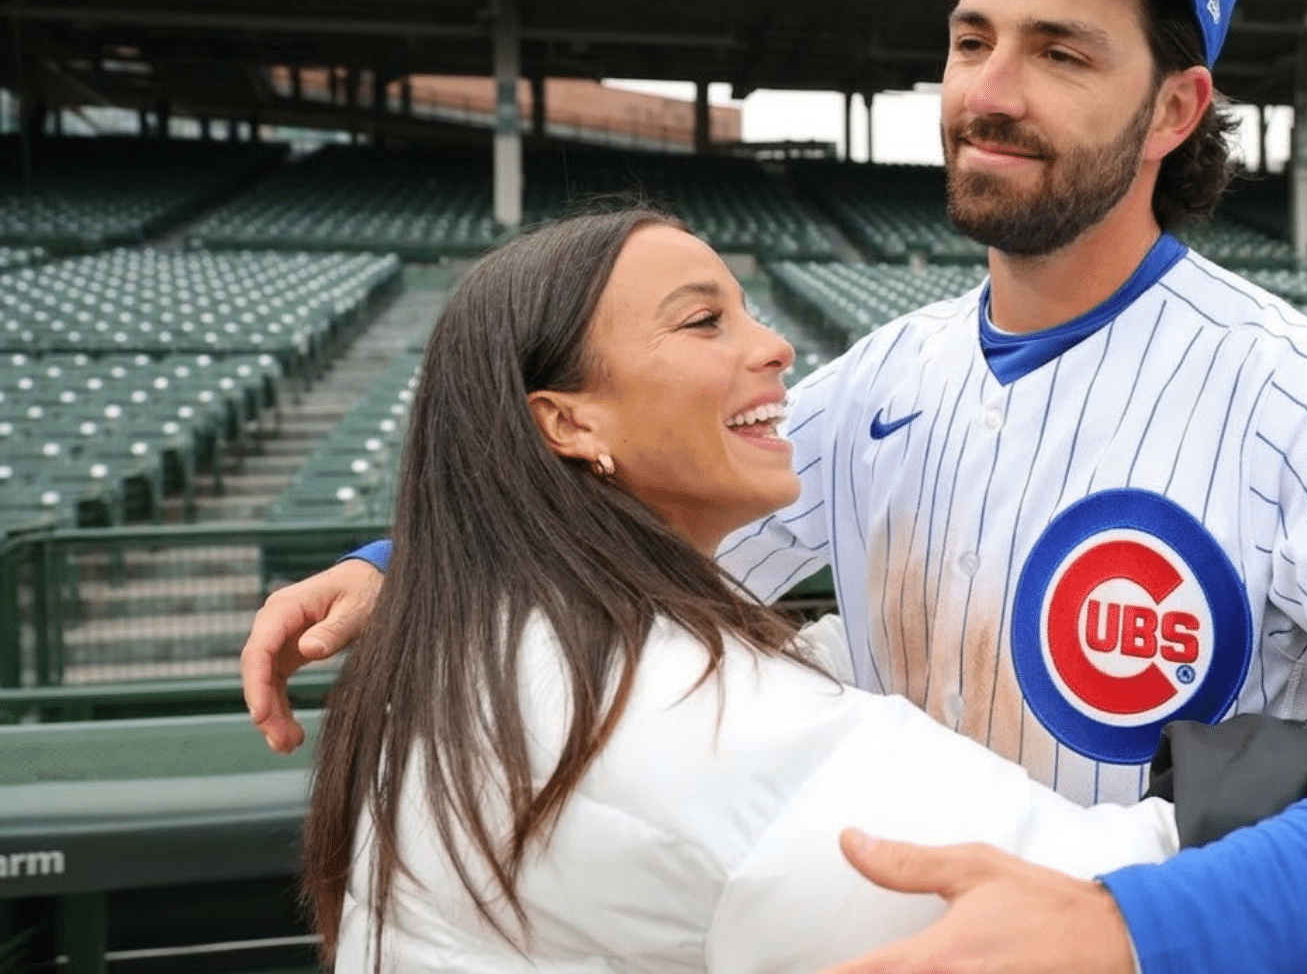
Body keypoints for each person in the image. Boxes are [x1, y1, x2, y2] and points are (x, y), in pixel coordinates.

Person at [252, 0, 1307, 970]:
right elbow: (606, 523)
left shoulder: (1293, 391)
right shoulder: (876, 387)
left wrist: (1145, 933)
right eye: (973, 40)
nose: (990, 90)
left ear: (1174, 112)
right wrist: (395, 563)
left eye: (1061, 51)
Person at [304, 202, 1188, 973]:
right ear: (568, 421)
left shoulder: (489, 629)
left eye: (746, 312)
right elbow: (1102, 893)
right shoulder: (679, 715)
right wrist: (1283, 767)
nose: (773, 346)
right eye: (703, 323)